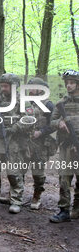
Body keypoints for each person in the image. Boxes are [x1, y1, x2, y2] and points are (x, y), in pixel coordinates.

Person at [0, 73, 34, 214]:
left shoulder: (22, 101)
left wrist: (14, 128)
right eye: (2, 86)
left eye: (6, 86)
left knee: (13, 173)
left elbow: (30, 119)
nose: (3, 88)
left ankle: (16, 200)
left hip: (14, 142)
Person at [49, 70, 79, 223]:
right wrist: (59, 123)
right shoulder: (61, 103)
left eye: (72, 82)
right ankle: (64, 210)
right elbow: (51, 122)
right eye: (67, 82)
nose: (69, 85)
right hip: (66, 146)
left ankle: (77, 208)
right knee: (64, 178)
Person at [24, 78, 55, 210]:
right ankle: (15, 194)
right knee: (18, 169)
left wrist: (41, 132)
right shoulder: (25, 103)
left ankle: (37, 196)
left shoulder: (48, 105)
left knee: (37, 172)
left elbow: (53, 124)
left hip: (41, 144)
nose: (30, 90)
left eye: (33, 87)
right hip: (25, 143)